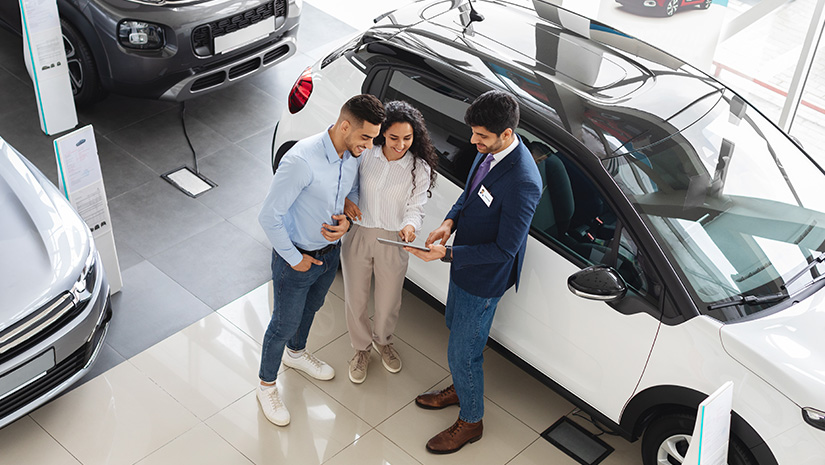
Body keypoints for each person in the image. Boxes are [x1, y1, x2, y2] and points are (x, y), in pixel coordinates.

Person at [405, 90, 542, 453]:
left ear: (506, 134)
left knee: (463, 353)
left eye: (481, 135)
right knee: (457, 332)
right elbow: (471, 192)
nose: (473, 141)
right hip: (464, 262)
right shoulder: (491, 152)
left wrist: (446, 254)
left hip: (483, 276)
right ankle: (461, 386)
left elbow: (504, 250)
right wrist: (450, 221)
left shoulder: (523, 181)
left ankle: (471, 420)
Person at [256, 94, 385, 426]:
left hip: (329, 256)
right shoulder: (302, 161)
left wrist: (347, 217)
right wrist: (294, 258)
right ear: (345, 126)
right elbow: (268, 216)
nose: (370, 146)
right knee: (283, 324)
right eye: (366, 137)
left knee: (312, 308)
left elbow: (351, 192)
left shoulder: (352, 154)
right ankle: (266, 386)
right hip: (297, 258)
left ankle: (296, 354)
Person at [341, 101, 438, 384]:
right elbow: (346, 183)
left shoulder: (418, 168)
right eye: (394, 137)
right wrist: (346, 200)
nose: (400, 144)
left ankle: (383, 341)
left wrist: (410, 226)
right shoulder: (365, 153)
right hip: (359, 233)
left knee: (388, 302)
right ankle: (360, 349)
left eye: (407, 138)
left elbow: (416, 207)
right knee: (355, 299)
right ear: (382, 133)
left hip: (394, 239)